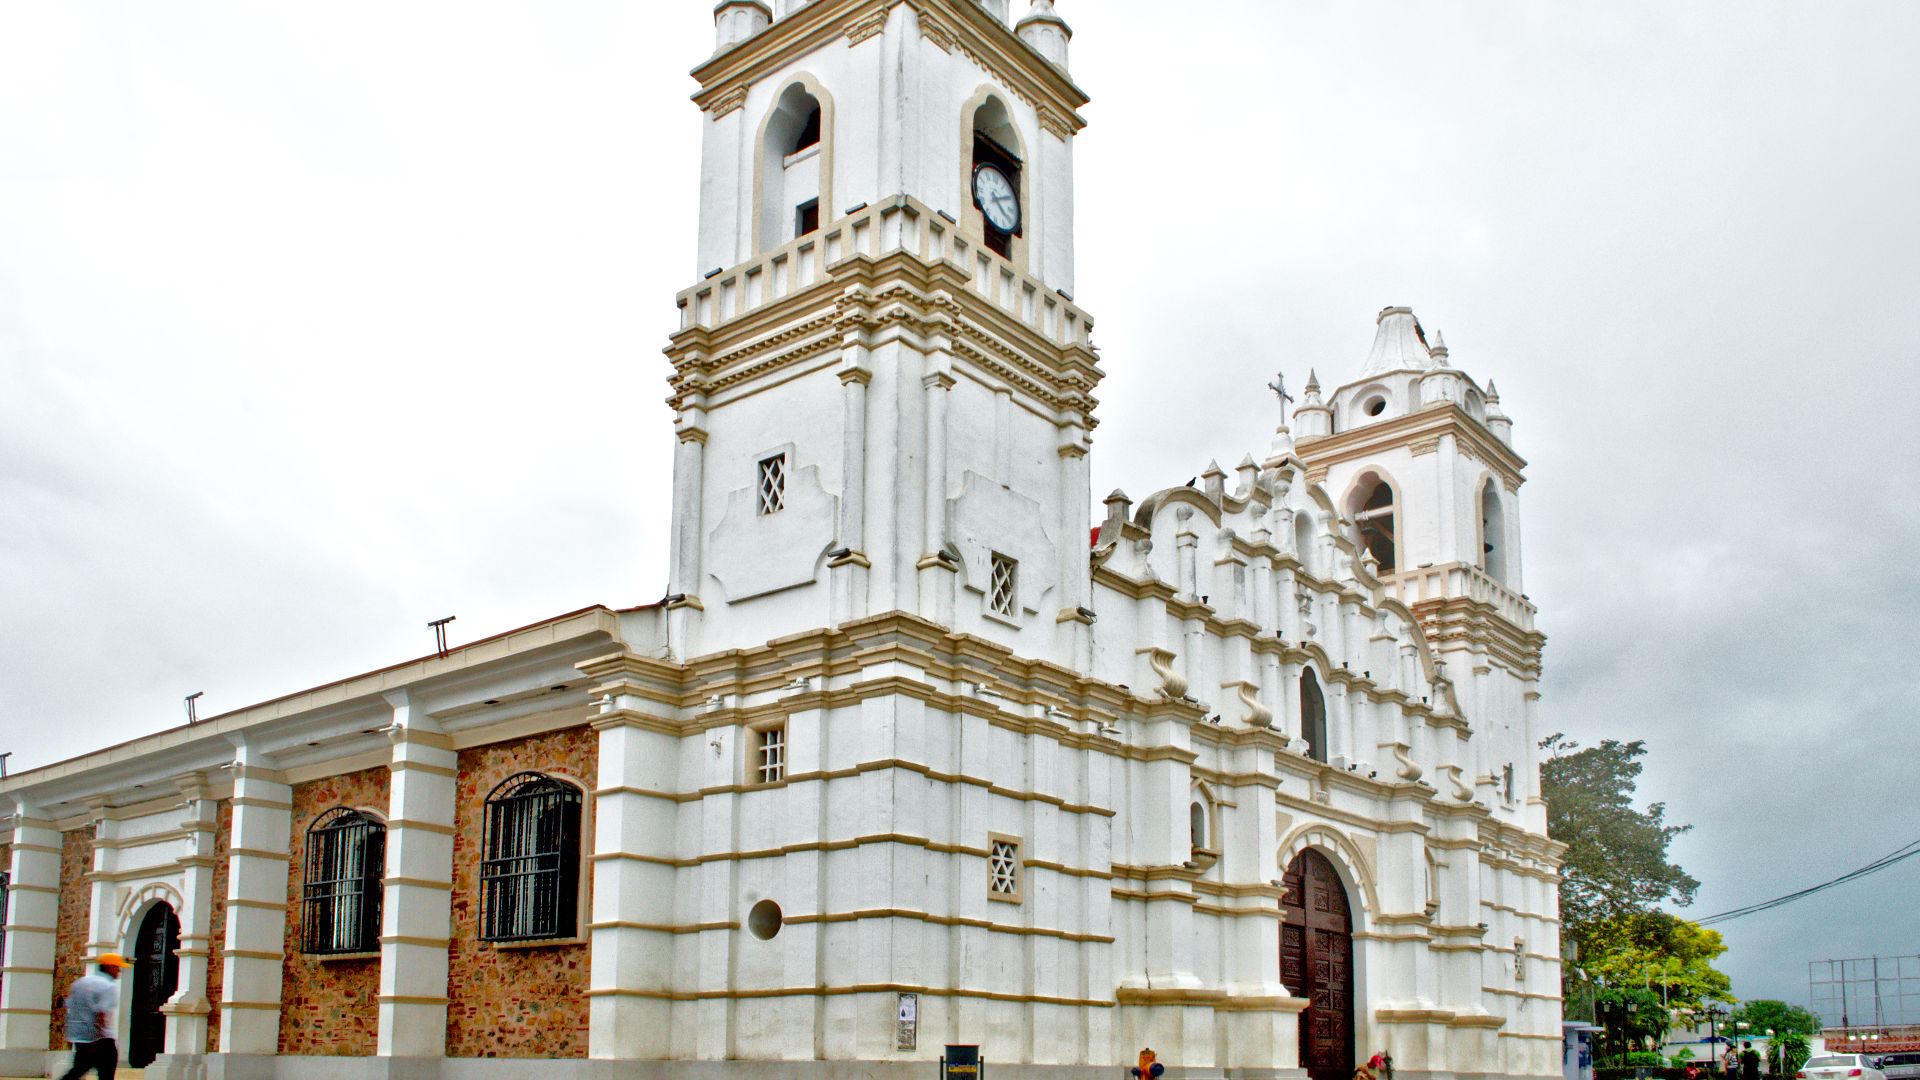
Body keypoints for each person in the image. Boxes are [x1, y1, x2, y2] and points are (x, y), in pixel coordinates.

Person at [59, 952, 127, 1080]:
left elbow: (70, 1006)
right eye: (117, 967)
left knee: (78, 1070)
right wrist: (102, 1035)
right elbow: (102, 1012)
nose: (119, 971)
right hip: (99, 1038)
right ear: (110, 967)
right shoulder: (108, 986)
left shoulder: (80, 983)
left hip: (80, 1037)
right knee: (106, 1073)